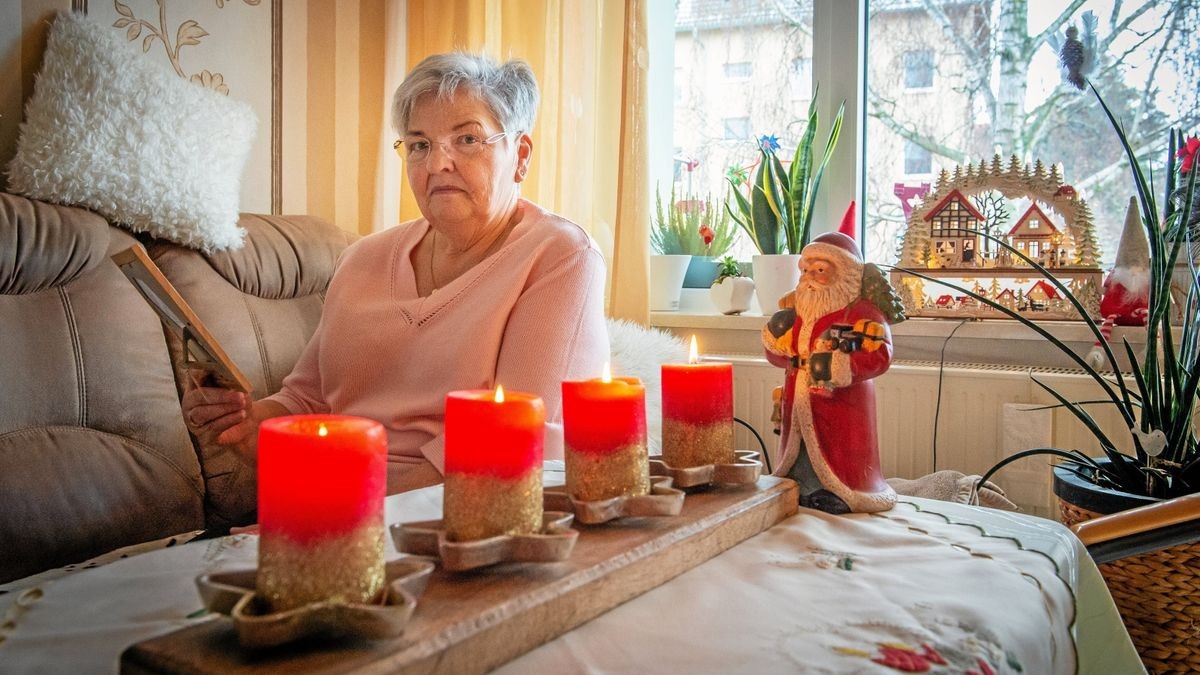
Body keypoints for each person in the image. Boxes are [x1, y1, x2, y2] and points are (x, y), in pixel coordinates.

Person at [182, 52, 609, 494]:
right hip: (320, 513)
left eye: (466, 140)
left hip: (457, 518)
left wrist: (356, 513)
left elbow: (514, 438)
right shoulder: (362, 259)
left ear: (520, 155)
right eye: (420, 144)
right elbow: (304, 403)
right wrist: (245, 424)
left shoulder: (561, 256)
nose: (437, 163)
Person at [762, 207, 904, 514]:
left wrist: (841, 365)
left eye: (820, 270)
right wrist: (776, 342)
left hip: (842, 406)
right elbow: (778, 352)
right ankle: (797, 484)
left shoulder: (861, 313)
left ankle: (841, 490)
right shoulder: (798, 309)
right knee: (797, 448)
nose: (810, 278)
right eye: (806, 271)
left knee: (838, 450)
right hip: (798, 398)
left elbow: (879, 354)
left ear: (843, 274)